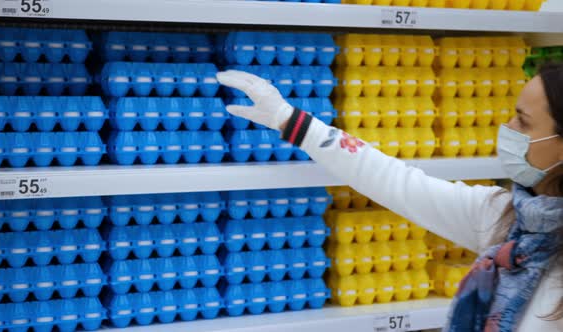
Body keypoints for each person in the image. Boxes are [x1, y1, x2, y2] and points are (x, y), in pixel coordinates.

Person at [216, 65, 563, 332]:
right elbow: (392, 179)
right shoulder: (505, 219)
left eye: (523, 121)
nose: (508, 127)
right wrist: (289, 120)